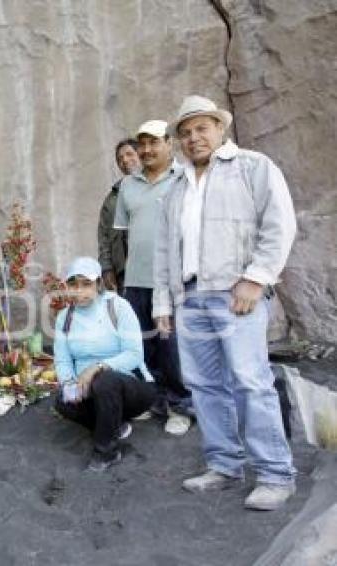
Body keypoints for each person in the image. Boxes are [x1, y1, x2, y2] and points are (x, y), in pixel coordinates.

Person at [154, 95, 297, 510]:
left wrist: (255, 280)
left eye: (202, 128)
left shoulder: (253, 167)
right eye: (185, 131)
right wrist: (164, 305)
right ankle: (225, 465)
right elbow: (165, 252)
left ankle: (275, 475)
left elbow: (279, 225)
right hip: (191, 298)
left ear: (220, 128)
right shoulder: (175, 188)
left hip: (237, 295)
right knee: (203, 386)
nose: (194, 137)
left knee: (251, 382)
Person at [114, 120, 192, 436]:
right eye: (142, 143)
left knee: (170, 347)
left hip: (172, 282)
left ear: (169, 144)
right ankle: (148, 401)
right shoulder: (128, 186)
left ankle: (179, 406)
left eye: (154, 142)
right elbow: (120, 236)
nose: (146, 150)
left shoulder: (184, 179)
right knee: (141, 346)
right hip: (135, 280)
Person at [53, 257, 156, 472]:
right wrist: (70, 383)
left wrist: (97, 367)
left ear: (98, 284)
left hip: (131, 385)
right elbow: (62, 359)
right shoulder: (65, 317)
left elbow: (135, 354)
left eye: (86, 284)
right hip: (92, 390)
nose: (79, 291)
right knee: (62, 401)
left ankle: (106, 451)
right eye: (73, 284)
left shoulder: (117, 306)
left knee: (104, 381)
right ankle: (113, 425)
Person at [98, 139, 139, 293]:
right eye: (120, 159)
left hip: (152, 269)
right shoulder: (112, 198)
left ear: (140, 154)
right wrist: (106, 268)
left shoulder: (157, 186)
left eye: (129, 154)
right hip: (124, 273)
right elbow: (103, 236)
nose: (125, 160)